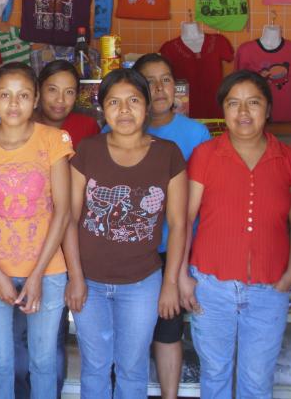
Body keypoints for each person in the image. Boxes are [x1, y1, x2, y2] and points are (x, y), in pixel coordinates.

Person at [179, 70, 291, 399]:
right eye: (233, 103)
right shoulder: (206, 154)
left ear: (268, 109)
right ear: (223, 110)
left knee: (257, 379)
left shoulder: (286, 157)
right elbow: (185, 217)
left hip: (269, 288)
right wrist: (181, 275)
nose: (243, 112)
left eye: (253, 103)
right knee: (215, 374)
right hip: (211, 287)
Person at [64, 68, 187, 399]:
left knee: (132, 367)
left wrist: (170, 284)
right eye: (114, 102)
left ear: (146, 105)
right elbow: (69, 219)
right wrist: (75, 277)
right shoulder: (88, 150)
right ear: (102, 108)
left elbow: (178, 224)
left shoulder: (168, 154)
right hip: (89, 282)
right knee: (95, 366)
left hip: (142, 283)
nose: (124, 110)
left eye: (133, 101)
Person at [0, 62, 73, 399]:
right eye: (5, 95)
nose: (13, 104)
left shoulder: (54, 140)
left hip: (47, 269)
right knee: (0, 363)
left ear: (35, 99)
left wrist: (37, 275)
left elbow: (63, 211)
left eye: (23, 95)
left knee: (43, 362)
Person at [15, 59, 100, 398]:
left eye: (69, 92)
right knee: (17, 335)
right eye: (52, 90)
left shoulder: (87, 127)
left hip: (67, 240)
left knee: (51, 335)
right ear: (38, 91)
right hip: (21, 240)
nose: (60, 100)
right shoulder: (19, 123)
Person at [133, 53, 210, 399]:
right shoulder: (116, 129)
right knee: (132, 334)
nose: (160, 88)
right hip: (131, 252)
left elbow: (204, 203)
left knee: (168, 331)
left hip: (174, 250)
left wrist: (182, 269)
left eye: (166, 80)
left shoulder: (195, 133)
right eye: (149, 81)